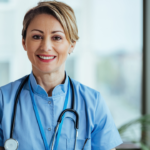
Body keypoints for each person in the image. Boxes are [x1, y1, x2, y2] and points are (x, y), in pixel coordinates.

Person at [0, 1, 123, 150]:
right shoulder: (3, 100)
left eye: (57, 37)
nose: (45, 46)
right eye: (37, 36)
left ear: (72, 44)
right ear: (24, 42)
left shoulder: (93, 103)